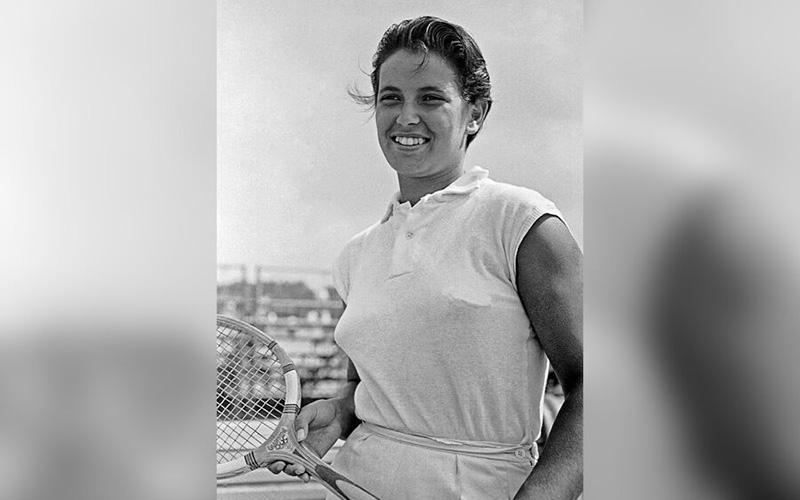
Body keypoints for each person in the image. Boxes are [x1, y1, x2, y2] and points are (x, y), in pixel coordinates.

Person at [269, 16, 582, 499]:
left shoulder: (522, 223)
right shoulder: (356, 255)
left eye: (431, 98)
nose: (406, 117)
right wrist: (342, 411)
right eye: (391, 98)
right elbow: (370, 385)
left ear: (474, 113)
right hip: (357, 483)